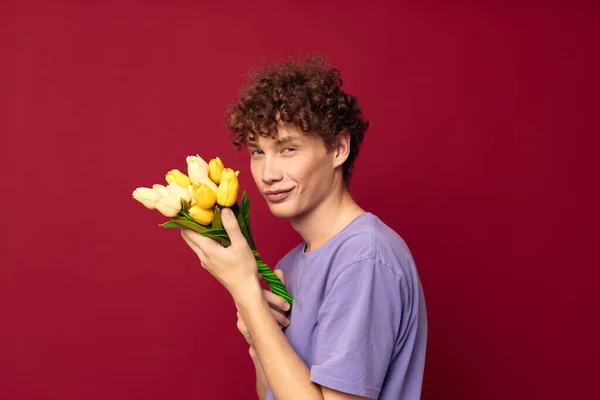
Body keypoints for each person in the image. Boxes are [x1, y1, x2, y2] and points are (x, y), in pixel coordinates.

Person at [181, 55, 427, 400]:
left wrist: (246, 293)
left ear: (339, 148)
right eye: (257, 152)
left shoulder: (364, 258)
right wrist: (259, 329)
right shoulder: (289, 267)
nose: (268, 174)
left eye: (288, 149)